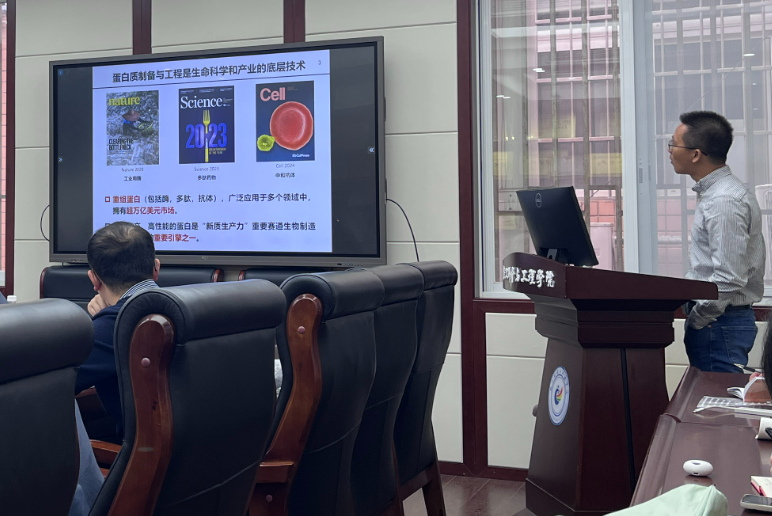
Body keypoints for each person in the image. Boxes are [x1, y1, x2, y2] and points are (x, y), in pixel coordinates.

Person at [670, 111, 765, 372]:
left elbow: (729, 278)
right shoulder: (719, 193)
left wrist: (700, 318)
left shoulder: (724, 200)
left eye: (673, 144)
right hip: (721, 321)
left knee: (716, 397)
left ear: (696, 154)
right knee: (710, 394)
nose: (669, 151)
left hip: (720, 321)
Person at [75, 221, 160, 435]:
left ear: (94, 279)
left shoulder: (114, 325)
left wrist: (101, 324)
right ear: (156, 268)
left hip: (140, 453)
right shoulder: (192, 307)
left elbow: (56, 383)